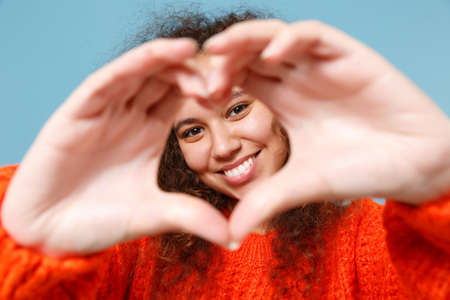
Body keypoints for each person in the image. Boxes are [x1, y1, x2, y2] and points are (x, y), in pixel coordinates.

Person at [0, 10, 449, 299]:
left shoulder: (366, 241)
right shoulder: (128, 252)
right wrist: (27, 241)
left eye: (237, 109)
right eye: (193, 130)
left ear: (280, 106)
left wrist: (443, 193)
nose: (224, 146)